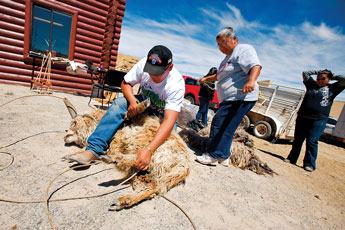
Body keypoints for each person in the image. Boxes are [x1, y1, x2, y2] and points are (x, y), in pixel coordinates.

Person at [69, 45, 185, 171]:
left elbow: (169, 120)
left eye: (157, 73)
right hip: (143, 102)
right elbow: (126, 83)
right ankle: (94, 150)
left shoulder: (176, 84)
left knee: (168, 141)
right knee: (119, 103)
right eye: (150, 70)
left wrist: (149, 149)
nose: (152, 75)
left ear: (170, 68)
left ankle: (141, 158)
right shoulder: (142, 65)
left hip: (164, 113)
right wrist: (132, 102)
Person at [196, 27, 262, 166]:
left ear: (234, 39)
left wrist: (251, 81)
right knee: (228, 127)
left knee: (219, 124)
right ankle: (223, 156)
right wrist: (205, 79)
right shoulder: (226, 60)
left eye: (224, 42)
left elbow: (255, 66)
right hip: (230, 99)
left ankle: (213, 155)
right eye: (219, 44)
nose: (221, 47)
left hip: (240, 98)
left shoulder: (243, 50)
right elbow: (219, 76)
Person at [285, 69, 345, 172]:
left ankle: (309, 164)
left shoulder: (333, 88)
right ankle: (292, 158)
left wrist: (332, 77)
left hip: (318, 120)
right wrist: (318, 72)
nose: (319, 80)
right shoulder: (311, 85)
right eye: (318, 78)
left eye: (323, 78)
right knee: (298, 140)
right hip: (303, 118)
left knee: (312, 141)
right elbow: (305, 73)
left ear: (328, 79)